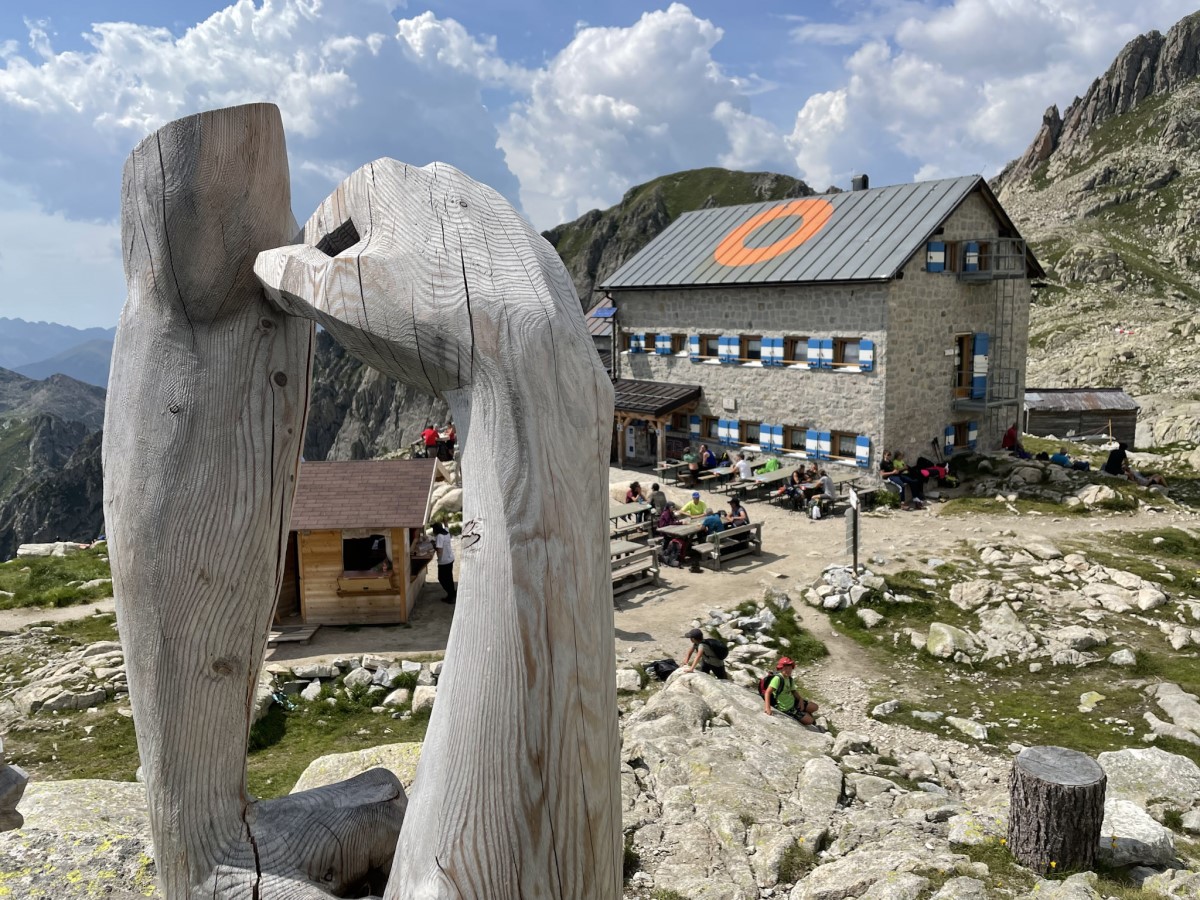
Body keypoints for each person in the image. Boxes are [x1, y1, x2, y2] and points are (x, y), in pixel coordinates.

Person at [763, 657, 819, 725]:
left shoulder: (789, 678)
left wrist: (800, 699)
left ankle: (804, 712)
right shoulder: (777, 679)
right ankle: (804, 714)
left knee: (815, 707)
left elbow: (793, 691)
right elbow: (767, 692)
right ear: (781, 669)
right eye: (785, 668)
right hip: (786, 708)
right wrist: (767, 708)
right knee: (810, 721)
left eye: (790, 668)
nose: (788, 670)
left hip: (793, 702)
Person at [430, 522, 456, 604]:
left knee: (441, 578)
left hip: (444, 561)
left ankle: (451, 595)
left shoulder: (439, 537)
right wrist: (445, 521)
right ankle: (452, 594)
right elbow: (447, 526)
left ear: (435, 529)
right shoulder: (446, 532)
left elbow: (439, 552)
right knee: (449, 578)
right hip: (450, 558)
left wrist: (434, 546)